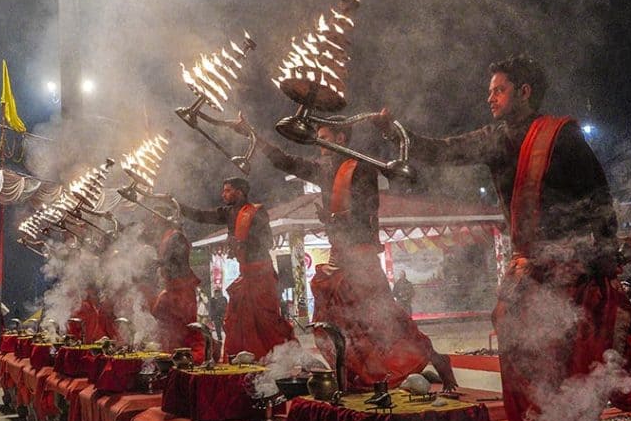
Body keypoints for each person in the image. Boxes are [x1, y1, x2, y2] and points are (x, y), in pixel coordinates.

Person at [375, 54, 631, 421]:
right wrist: (397, 133)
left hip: (571, 259)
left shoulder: (562, 136)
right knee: (512, 329)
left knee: (581, 347)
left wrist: (607, 248)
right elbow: (442, 151)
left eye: (499, 90)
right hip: (527, 261)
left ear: (524, 92)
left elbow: (597, 194)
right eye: (490, 91)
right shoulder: (493, 139)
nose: (490, 98)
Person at [259, 126, 455, 390]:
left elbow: (366, 209)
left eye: (324, 138)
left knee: (383, 318)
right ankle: (358, 376)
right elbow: (287, 162)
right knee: (336, 318)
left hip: (360, 254)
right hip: (339, 253)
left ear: (340, 138)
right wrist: (256, 139)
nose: (318, 143)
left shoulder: (360, 167)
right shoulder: (324, 170)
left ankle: (436, 358)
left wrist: (334, 220)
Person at [178, 177, 294, 359]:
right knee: (238, 319)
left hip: (261, 274)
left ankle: (275, 357)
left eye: (227, 190)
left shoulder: (256, 212)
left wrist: (242, 243)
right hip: (245, 274)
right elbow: (201, 216)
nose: (222, 194)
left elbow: (267, 242)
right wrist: (177, 205)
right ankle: (243, 357)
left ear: (239, 192)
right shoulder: (228, 213)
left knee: (265, 320)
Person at [142, 213, 205, 362]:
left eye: (156, 218)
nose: (153, 222)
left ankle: (188, 358)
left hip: (181, 291)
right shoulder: (166, 237)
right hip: (171, 290)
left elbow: (173, 262)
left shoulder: (176, 237)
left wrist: (156, 263)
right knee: (163, 322)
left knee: (183, 328)